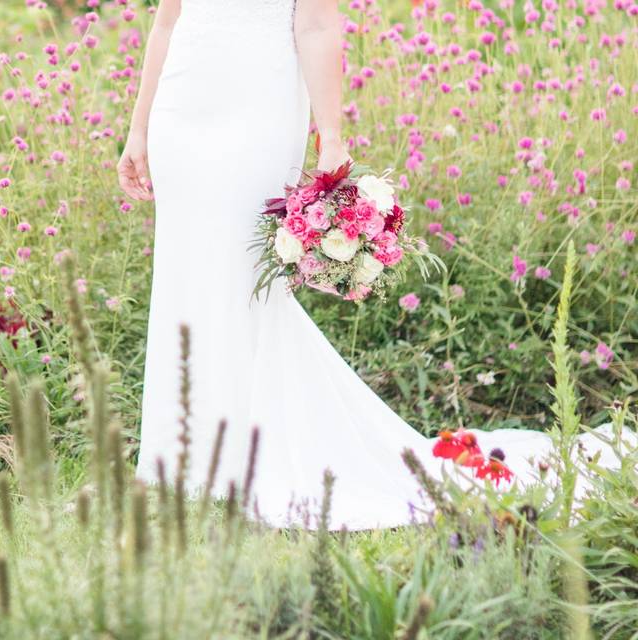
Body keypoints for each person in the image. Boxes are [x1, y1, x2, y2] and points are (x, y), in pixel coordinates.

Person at [117, 0, 610, 530]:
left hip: (259, 107)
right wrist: (139, 129)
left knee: (244, 279)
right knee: (186, 276)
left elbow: (319, 24)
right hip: (182, 110)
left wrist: (331, 136)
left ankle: (250, 454)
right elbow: (167, 21)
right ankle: (181, 456)